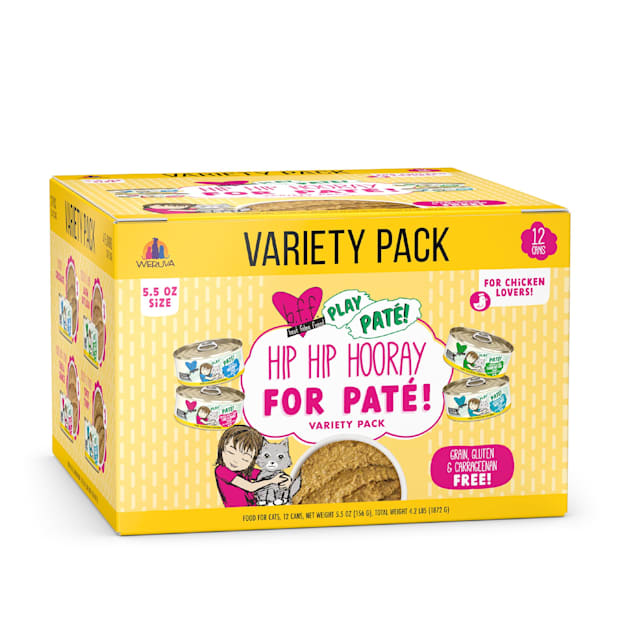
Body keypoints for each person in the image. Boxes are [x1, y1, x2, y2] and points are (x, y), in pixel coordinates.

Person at [215, 425, 289, 507]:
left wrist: (287, 479)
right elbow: (250, 487)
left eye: (245, 459)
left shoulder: (245, 470)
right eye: (230, 452)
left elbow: (268, 473)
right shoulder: (221, 470)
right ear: (222, 448)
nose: (235, 461)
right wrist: (272, 481)